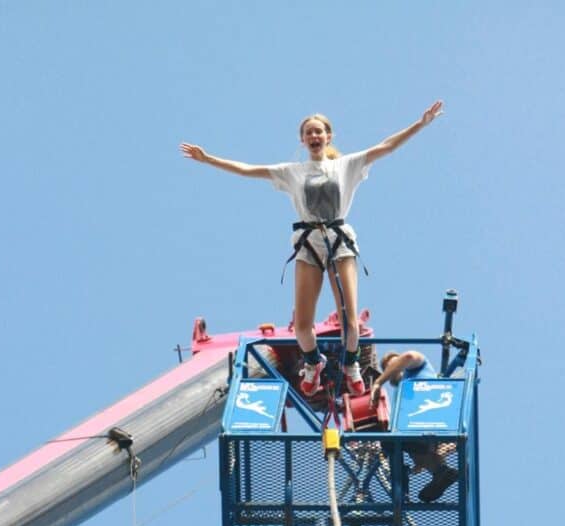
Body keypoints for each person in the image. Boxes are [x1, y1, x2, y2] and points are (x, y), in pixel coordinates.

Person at [180, 101, 444, 398]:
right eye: (309, 132)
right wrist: (208, 159)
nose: (314, 136)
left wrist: (420, 124)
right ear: (302, 140)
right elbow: (246, 170)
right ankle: (312, 363)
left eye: (319, 131)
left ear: (328, 136)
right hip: (308, 245)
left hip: (338, 241)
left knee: (350, 321)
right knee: (303, 325)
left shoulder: (346, 165)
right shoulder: (292, 172)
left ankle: (352, 366)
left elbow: (386, 147)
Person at [371, 349, 458, 502]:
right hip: (419, 429)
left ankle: (401, 483)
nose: (390, 368)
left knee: (391, 442)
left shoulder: (418, 367)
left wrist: (378, 382)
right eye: (386, 368)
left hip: (426, 422)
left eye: (392, 363)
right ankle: (441, 472)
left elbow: (409, 356)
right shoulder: (401, 393)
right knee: (415, 450)